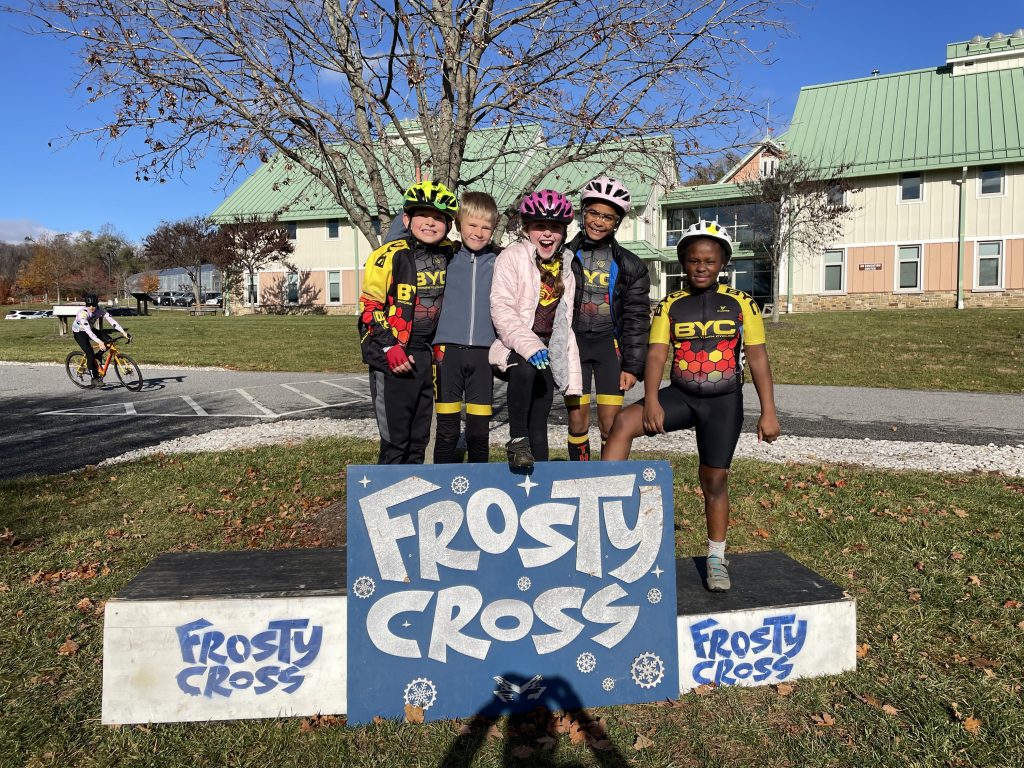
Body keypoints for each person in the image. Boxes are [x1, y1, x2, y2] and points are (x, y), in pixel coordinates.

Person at [603, 220, 781, 592]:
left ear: (722, 264)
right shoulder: (670, 304)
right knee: (622, 423)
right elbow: (655, 356)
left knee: (713, 480)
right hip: (681, 396)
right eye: (694, 260)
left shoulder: (741, 303)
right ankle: (605, 527)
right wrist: (651, 399)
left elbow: (759, 358)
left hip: (723, 402)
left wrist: (769, 411)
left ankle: (716, 556)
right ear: (684, 262)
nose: (702, 267)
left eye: (710, 261)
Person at [358, 180, 458, 464]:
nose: (430, 223)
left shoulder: (451, 253)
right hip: (394, 354)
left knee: (419, 439)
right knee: (395, 440)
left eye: (438, 218)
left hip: (428, 355)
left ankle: (414, 500)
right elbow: (369, 307)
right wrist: (390, 347)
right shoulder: (387, 255)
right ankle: (385, 502)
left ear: (449, 224)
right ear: (406, 219)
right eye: (422, 216)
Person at [489, 190, 582, 470]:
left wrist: (570, 372)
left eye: (555, 228)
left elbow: (565, 322)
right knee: (527, 369)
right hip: (515, 344)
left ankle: (538, 486)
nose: (547, 234)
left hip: (549, 350)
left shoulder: (567, 265)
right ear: (526, 228)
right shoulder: (511, 257)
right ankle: (517, 440)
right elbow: (502, 310)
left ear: (563, 233)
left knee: (539, 423)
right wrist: (530, 347)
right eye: (540, 226)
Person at [565, 176, 650, 461]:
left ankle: (606, 483)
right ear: (582, 212)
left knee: (609, 425)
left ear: (617, 223)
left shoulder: (631, 265)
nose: (599, 222)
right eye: (594, 213)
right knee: (577, 423)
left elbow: (637, 318)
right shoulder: (562, 255)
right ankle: (579, 479)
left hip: (608, 348)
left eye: (608, 217)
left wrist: (633, 366)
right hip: (573, 347)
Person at [432, 191, 502, 463]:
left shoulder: (499, 261)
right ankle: (440, 491)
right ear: (459, 223)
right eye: (472, 225)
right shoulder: (443, 257)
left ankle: (478, 491)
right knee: (448, 431)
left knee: (478, 433)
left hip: (483, 355)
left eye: (486, 227)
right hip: (446, 353)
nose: (479, 232)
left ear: (494, 228)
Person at [71, 293, 130, 388]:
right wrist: (99, 342)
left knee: (109, 341)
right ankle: (94, 379)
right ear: (86, 305)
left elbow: (111, 321)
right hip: (80, 332)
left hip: (90, 329)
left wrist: (123, 332)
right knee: (90, 353)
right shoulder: (83, 313)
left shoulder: (100, 310)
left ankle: (98, 355)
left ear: (97, 304)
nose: (91, 307)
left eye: (94, 305)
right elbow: (88, 332)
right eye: (89, 305)